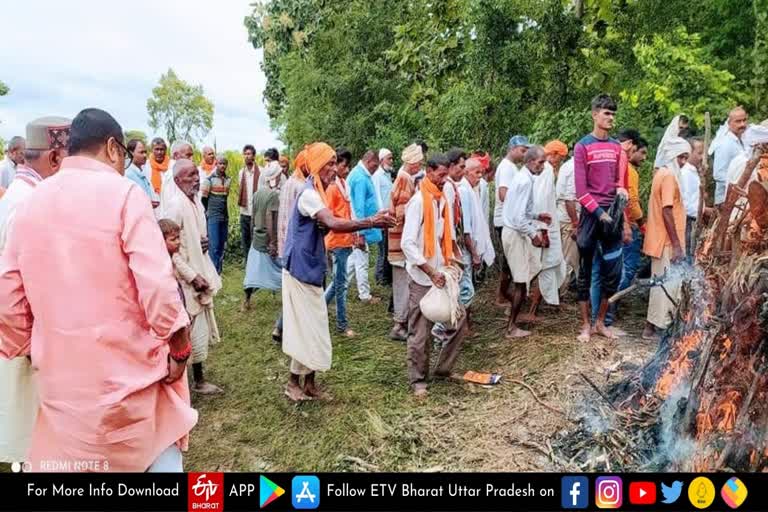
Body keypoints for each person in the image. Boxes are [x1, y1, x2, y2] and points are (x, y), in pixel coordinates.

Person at [0, 108, 196, 472]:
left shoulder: (27, 206)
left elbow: (8, 304)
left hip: (63, 399)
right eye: (122, 154)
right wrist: (180, 350)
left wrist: (38, 348)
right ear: (111, 147)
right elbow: (158, 288)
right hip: (131, 398)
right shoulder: (125, 196)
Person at [281, 142, 394, 401]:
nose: (335, 169)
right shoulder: (309, 194)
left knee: (316, 327)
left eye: (335, 163)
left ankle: (309, 383)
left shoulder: (319, 191)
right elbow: (331, 222)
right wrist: (370, 222)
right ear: (318, 165)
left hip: (311, 267)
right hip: (300, 270)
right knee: (305, 328)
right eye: (330, 164)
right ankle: (293, 384)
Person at [0, 117, 69, 466]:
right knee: (30, 436)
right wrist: (32, 348)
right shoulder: (28, 202)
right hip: (24, 344)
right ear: (55, 159)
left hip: (26, 339)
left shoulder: (22, 195)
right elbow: (11, 289)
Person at [402, 153, 468, 398]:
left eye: (444, 176)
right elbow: (409, 244)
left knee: (459, 323)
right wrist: (429, 271)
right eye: (440, 175)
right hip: (423, 277)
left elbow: (445, 238)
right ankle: (418, 380)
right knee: (420, 332)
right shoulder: (419, 201)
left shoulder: (441, 200)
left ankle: (443, 369)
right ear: (429, 172)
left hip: (442, 274)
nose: (444, 180)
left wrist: (452, 262)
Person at [164, 158, 224, 395]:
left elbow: (193, 237)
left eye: (196, 174)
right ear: (178, 180)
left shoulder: (196, 202)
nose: (196, 179)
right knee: (187, 331)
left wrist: (203, 243)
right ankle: (188, 382)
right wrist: (191, 277)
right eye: (189, 175)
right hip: (184, 279)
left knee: (198, 331)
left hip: (199, 268)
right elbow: (170, 250)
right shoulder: (175, 205)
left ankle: (196, 379)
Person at [574, 94, 629, 343]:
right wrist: (599, 213)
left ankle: (600, 323)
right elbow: (580, 191)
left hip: (613, 215)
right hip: (591, 214)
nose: (610, 118)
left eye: (613, 114)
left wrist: (621, 216)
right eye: (606, 113)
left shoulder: (617, 147)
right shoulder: (582, 146)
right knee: (585, 270)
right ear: (595, 114)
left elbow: (621, 184)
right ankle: (585, 325)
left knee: (612, 272)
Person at [590, 129, 641, 329]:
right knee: (611, 274)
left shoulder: (597, 157)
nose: (629, 156)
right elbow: (623, 198)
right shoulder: (619, 162)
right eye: (632, 151)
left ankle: (597, 320)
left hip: (594, 220)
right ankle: (605, 321)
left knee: (596, 272)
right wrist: (626, 225)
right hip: (610, 225)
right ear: (627, 144)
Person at [642, 137, 690, 341]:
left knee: (659, 285)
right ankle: (661, 330)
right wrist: (677, 245)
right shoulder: (669, 175)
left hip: (660, 240)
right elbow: (667, 211)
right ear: (672, 156)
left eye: (685, 158)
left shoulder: (661, 173)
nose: (683, 162)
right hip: (667, 242)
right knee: (667, 287)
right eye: (681, 157)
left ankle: (651, 328)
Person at [501, 146, 551, 338]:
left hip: (517, 231)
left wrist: (538, 215)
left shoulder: (525, 178)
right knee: (521, 281)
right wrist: (533, 234)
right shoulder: (523, 181)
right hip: (515, 233)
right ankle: (511, 327)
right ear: (530, 162)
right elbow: (518, 218)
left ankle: (513, 309)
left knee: (534, 267)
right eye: (540, 162)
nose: (543, 166)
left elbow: (521, 210)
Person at [523, 141, 567, 321]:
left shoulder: (545, 171)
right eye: (560, 158)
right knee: (546, 266)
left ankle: (537, 306)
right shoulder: (546, 171)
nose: (560, 162)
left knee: (548, 266)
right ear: (554, 155)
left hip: (545, 224)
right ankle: (532, 310)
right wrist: (543, 229)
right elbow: (541, 200)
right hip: (544, 226)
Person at [273, 148, 311, 343]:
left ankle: (281, 328)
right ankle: (284, 328)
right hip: (295, 245)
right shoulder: (301, 186)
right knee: (296, 293)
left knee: (290, 291)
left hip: (284, 243)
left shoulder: (288, 182)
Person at [388, 144, 424, 341]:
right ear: (412, 163)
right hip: (401, 241)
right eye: (419, 162)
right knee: (402, 284)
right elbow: (402, 213)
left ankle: (403, 322)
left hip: (400, 241)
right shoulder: (404, 179)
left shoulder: (405, 177)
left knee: (403, 283)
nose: (420, 165)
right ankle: (399, 325)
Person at [323, 148, 357, 337]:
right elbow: (330, 218)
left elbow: (347, 213)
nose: (346, 169)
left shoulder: (343, 185)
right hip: (337, 241)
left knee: (338, 283)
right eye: (344, 165)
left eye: (347, 166)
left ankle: (319, 310)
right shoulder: (333, 188)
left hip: (345, 239)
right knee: (341, 285)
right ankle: (342, 325)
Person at [242, 161, 284, 311]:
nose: (280, 178)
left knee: (253, 273)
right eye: (279, 175)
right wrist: (273, 242)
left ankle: (246, 300)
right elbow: (269, 216)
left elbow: (253, 217)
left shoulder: (257, 193)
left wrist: (254, 232)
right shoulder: (273, 195)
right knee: (283, 270)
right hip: (267, 239)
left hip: (257, 238)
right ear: (273, 177)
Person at [493, 135, 530, 306]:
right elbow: (503, 194)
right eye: (522, 150)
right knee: (510, 262)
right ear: (512, 149)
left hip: (509, 219)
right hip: (506, 221)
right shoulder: (507, 168)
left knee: (509, 262)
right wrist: (519, 208)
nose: (524, 155)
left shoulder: (511, 167)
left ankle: (504, 294)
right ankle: (503, 295)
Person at [347, 150, 382, 303]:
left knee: (352, 262)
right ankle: (365, 295)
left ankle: (338, 288)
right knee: (361, 261)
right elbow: (358, 207)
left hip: (358, 226)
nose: (376, 168)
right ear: (368, 161)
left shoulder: (360, 174)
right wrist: (360, 233)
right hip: (360, 228)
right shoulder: (360, 178)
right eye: (375, 165)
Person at [711, 107, 749, 206]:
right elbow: (718, 174)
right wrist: (738, 185)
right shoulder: (725, 144)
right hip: (726, 200)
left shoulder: (743, 140)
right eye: (738, 121)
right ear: (729, 123)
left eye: (744, 120)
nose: (742, 124)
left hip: (741, 198)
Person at [201, 154, 231, 274]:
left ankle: (218, 269)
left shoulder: (228, 180)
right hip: (213, 216)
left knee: (221, 244)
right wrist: (207, 212)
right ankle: (213, 272)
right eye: (220, 163)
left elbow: (225, 197)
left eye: (224, 163)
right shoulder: (209, 180)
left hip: (224, 216)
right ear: (216, 164)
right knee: (213, 245)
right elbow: (204, 199)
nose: (222, 165)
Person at [681, 138, 706, 259]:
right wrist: (703, 211)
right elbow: (685, 204)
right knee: (690, 253)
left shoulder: (694, 171)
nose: (702, 157)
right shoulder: (685, 173)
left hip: (695, 220)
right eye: (699, 153)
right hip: (689, 221)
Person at [372, 148, 394, 286]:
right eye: (389, 158)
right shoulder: (377, 176)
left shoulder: (387, 175)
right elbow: (378, 197)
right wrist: (382, 215)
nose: (391, 161)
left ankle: (383, 275)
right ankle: (380, 277)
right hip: (382, 217)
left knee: (386, 248)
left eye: (392, 158)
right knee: (382, 249)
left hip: (388, 215)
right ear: (381, 161)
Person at [158, 141, 194, 217]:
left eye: (192, 155)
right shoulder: (171, 176)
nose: (192, 159)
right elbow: (170, 207)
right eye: (188, 155)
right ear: (175, 156)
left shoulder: (184, 173)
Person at [238, 144, 260, 264]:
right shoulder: (241, 173)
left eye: (249, 154)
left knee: (255, 240)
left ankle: (256, 264)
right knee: (245, 240)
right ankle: (248, 263)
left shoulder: (261, 171)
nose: (247, 156)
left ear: (254, 156)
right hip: (244, 212)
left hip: (256, 212)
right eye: (245, 154)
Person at [147, 137, 167, 209]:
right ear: (152, 150)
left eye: (161, 149)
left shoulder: (172, 165)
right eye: (156, 149)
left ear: (165, 150)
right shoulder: (145, 166)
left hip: (168, 205)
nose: (159, 152)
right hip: (152, 206)